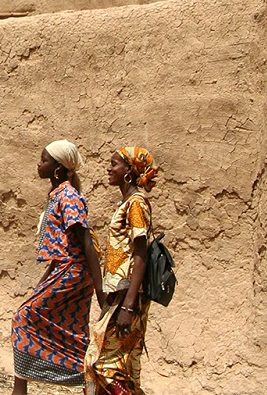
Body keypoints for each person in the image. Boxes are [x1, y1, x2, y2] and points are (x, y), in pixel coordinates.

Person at [11, 140, 106, 395]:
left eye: (44, 160)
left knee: (23, 318)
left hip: (73, 272)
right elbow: (61, 248)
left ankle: (19, 390)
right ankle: (89, 383)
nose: (38, 164)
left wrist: (100, 291)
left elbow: (85, 241)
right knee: (73, 333)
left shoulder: (68, 196)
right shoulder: (57, 195)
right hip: (64, 270)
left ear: (57, 168)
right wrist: (43, 282)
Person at [84, 146, 160, 395]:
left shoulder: (136, 204)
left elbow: (141, 255)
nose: (109, 168)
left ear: (129, 171)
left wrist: (127, 306)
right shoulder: (126, 203)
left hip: (129, 299)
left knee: (105, 366)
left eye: (114, 164)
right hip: (119, 296)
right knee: (116, 367)